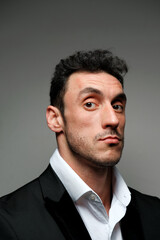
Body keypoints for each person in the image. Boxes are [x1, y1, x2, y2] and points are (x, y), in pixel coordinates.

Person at [0, 50, 160, 240]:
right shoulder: (8, 220)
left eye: (117, 106)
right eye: (90, 104)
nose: (112, 119)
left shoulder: (155, 213)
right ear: (55, 119)